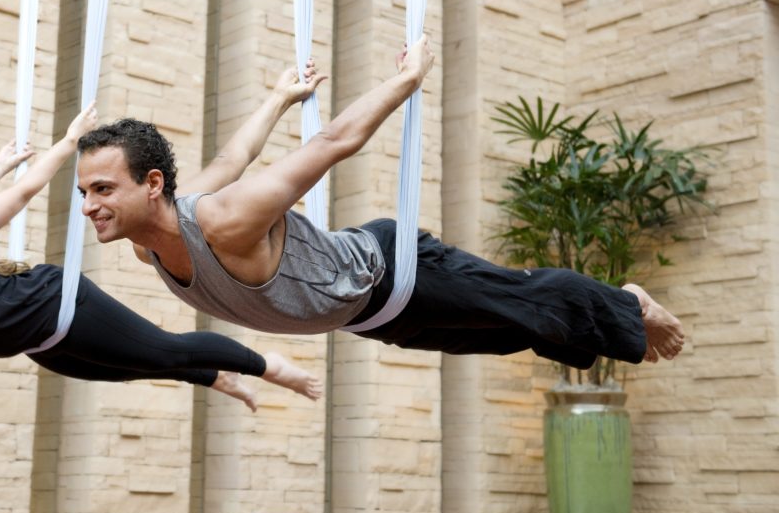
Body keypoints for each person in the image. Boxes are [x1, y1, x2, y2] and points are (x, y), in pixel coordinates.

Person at [74, 38, 686, 369]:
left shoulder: (223, 220)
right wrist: (279, 98)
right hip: (369, 316)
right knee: (509, 335)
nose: (89, 206)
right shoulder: (150, 246)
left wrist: (406, 81)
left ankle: (627, 302)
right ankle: (600, 325)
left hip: (390, 270)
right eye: (84, 193)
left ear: (152, 184)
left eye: (103, 189)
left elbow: (333, 142)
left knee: (521, 299)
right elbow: (233, 155)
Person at [0, 105, 323, 412]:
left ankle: (268, 366)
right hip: (39, 341)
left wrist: (70, 142)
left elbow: (22, 195)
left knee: (164, 351)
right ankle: (218, 379)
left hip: (58, 307)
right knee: (130, 368)